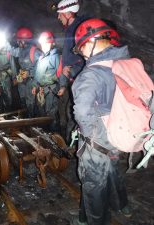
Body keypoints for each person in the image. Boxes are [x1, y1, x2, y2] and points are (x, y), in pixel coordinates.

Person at [71, 18, 131, 225]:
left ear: (92, 42)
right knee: (112, 171)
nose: (82, 53)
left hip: (98, 141)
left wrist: (90, 137)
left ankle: (95, 221)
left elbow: (82, 111)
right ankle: (122, 206)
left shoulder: (91, 74)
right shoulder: (122, 65)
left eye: (82, 48)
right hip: (120, 134)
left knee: (93, 184)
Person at [56, 0, 88, 142]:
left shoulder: (80, 29)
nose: (58, 17)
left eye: (60, 14)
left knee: (75, 114)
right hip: (72, 80)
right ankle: (70, 143)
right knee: (70, 112)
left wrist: (73, 69)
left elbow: (88, 56)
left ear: (68, 13)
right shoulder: (71, 30)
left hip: (81, 80)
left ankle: (73, 146)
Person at [34, 31, 68, 132]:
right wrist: (34, 85)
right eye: (43, 44)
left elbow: (60, 71)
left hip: (51, 90)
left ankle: (54, 136)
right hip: (41, 90)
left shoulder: (55, 56)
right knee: (42, 113)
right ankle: (45, 134)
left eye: (46, 43)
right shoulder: (41, 58)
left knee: (51, 114)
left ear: (52, 43)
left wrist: (62, 86)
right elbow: (37, 74)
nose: (44, 46)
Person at [9, 27, 43, 117]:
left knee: (30, 102)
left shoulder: (35, 52)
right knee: (23, 100)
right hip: (22, 79)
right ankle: (25, 118)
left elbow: (40, 67)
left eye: (19, 40)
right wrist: (4, 43)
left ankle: (31, 121)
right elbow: (12, 51)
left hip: (31, 81)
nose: (17, 42)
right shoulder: (21, 50)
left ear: (24, 40)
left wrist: (29, 72)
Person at [0, 38, 18, 112]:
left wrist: (14, 78)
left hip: (6, 77)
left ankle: (8, 112)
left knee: (8, 95)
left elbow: (13, 65)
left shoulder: (8, 53)